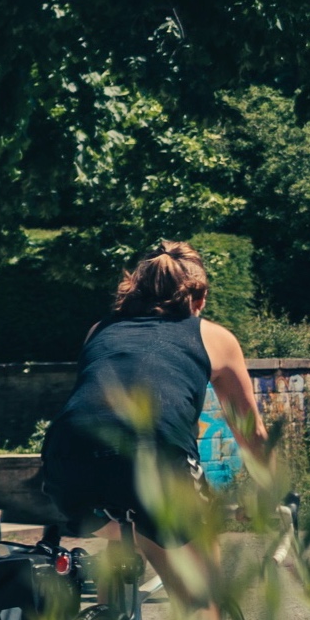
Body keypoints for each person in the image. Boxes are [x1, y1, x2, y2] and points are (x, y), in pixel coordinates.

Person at [37, 241, 265, 580]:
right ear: (200, 297)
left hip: (67, 458)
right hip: (159, 457)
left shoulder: (100, 329)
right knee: (203, 589)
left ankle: (112, 608)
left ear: (133, 289)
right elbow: (251, 433)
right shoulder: (214, 337)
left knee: (124, 529)